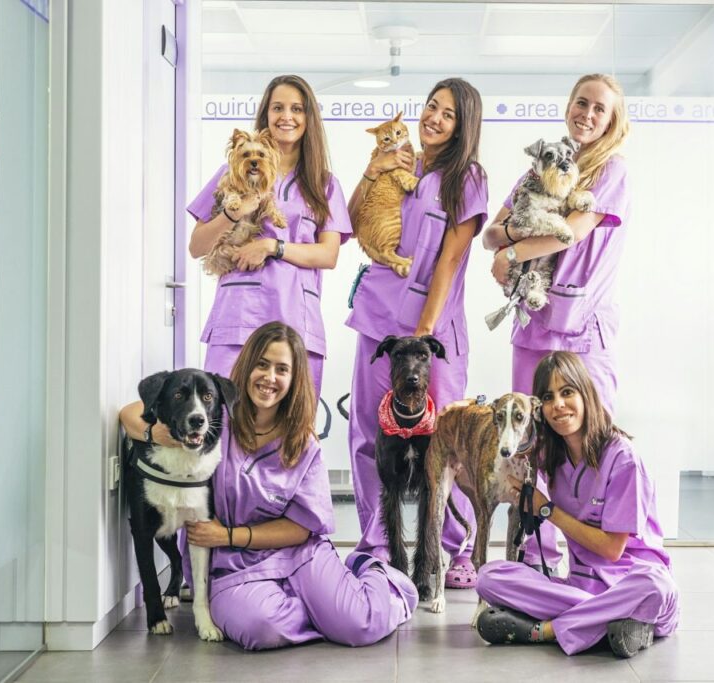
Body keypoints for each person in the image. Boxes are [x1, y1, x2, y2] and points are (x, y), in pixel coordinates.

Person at [119, 322, 417, 651]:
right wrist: (159, 434)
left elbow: (303, 529)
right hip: (232, 565)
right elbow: (129, 413)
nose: (269, 377)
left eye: (282, 369)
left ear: (293, 379)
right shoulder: (215, 419)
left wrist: (228, 535)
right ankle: (320, 610)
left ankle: (370, 571)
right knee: (261, 630)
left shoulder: (302, 442)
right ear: (247, 366)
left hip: (298, 554)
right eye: (262, 364)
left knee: (360, 625)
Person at [482, 74, 631, 571]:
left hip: (584, 329)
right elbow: (489, 233)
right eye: (581, 103)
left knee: (588, 446)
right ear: (568, 106)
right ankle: (531, 561)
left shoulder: (610, 172)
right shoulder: (538, 167)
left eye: (599, 109)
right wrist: (503, 244)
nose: (587, 114)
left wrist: (512, 250)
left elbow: (571, 232)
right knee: (527, 446)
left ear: (611, 121)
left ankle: (596, 566)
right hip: (534, 324)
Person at [344, 78, 487, 587]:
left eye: (448, 113)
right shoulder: (401, 162)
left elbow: (451, 258)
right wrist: (372, 169)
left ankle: (454, 548)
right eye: (431, 106)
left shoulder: (466, 177)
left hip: (432, 330)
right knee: (366, 433)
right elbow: (352, 218)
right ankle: (377, 544)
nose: (434, 118)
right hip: (378, 319)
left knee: (446, 441)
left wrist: (424, 334)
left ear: (463, 124)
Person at [473, 351, 679, 658]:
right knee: (490, 577)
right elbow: (517, 440)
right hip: (584, 588)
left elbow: (611, 550)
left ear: (586, 394)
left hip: (633, 585)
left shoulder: (622, 457)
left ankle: (546, 630)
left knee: (656, 587)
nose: (558, 404)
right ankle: (616, 625)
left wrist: (547, 510)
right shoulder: (551, 459)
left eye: (567, 392)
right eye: (548, 396)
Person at [187, 74, 351, 397]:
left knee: (292, 429)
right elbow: (197, 246)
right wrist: (233, 213)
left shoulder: (324, 184)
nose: (286, 117)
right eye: (278, 108)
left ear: (309, 119)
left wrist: (270, 246)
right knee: (224, 420)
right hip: (238, 314)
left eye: (297, 109)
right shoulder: (231, 172)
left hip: (296, 316)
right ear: (266, 114)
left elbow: (327, 255)